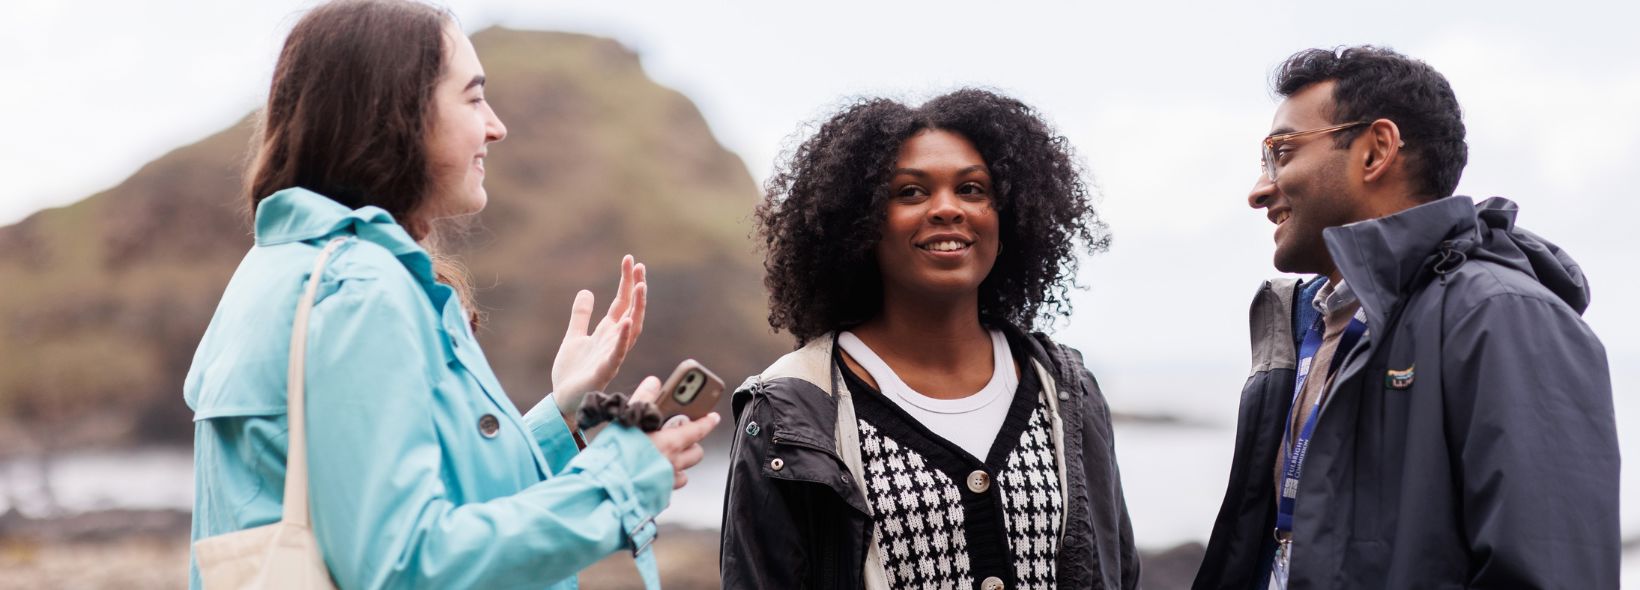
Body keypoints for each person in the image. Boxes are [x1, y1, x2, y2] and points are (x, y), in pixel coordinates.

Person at [183, 1, 719, 587]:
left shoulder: (276, 268)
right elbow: (406, 565)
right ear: (396, 115)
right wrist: (621, 481)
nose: (496, 125)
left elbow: (404, 497)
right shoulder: (362, 290)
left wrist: (561, 415)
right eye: (472, 98)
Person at [1193, 46, 1618, 589]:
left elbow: (1554, 571)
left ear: (1376, 151)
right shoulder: (1311, 325)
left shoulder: (1503, 316)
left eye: (1282, 151)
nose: (1259, 190)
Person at [720, 89, 1140, 590]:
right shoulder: (790, 409)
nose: (947, 209)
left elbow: (1117, 572)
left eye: (972, 189)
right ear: (861, 224)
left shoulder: (1067, 390)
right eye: (911, 193)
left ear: (1006, 219)